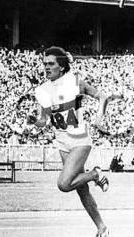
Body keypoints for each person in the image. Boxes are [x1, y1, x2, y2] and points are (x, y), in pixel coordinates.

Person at [26, 46, 122, 237]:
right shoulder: (42, 90)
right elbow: (44, 121)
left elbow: (102, 97)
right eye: (44, 63)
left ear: (61, 66)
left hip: (79, 139)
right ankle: (102, 227)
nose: (46, 67)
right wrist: (34, 121)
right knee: (81, 190)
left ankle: (95, 173)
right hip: (62, 143)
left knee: (64, 184)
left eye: (51, 63)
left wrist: (99, 120)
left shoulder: (75, 81)